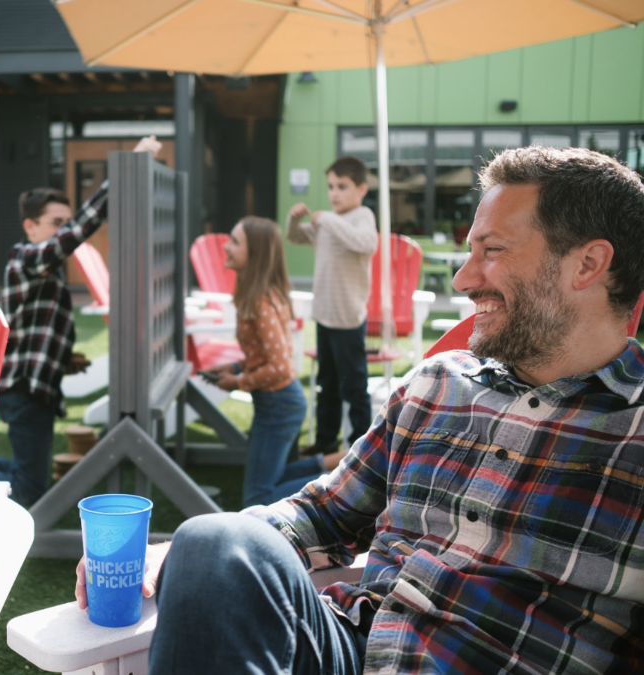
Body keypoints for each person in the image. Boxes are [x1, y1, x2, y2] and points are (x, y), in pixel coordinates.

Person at [75, 146, 644, 674]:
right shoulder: (437, 384)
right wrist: (172, 552)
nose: (464, 279)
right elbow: (323, 514)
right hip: (354, 647)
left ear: (588, 264)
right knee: (211, 542)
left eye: (492, 251)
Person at [0, 135, 163, 507]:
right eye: (55, 223)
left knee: (31, 477)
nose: (64, 230)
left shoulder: (45, 267)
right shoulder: (27, 256)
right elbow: (77, 232)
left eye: (66, 222)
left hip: (37, 388)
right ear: (30, 226)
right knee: (31, 488)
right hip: (23, 390)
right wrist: (119, 177)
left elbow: (34, 331)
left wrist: (66, 360)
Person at [203, 216, 344, 507]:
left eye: (235, 242)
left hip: (279, 405)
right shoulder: (256, 295)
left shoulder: (261, 303)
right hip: (277, 403)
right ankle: (332, 462)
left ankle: (338, 480)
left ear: (255, 253)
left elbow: (280, 366)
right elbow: (264, 354)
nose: (226, 247)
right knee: (272, 479)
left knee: (259, 497)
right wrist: (234, 368)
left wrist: (239, 382)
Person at [287, 157, 378, 455]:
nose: (334, 193)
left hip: (348, 320)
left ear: (361, 189)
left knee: (353, 387)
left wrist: (326, 218)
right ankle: (327, 441)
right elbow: (295, 236)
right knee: (327, 385)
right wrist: (294, 219)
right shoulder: (329, 223)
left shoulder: (362, 215)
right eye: (330, 187)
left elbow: (366, 244)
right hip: (325, 317)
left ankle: (360, 449)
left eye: (342, 186)